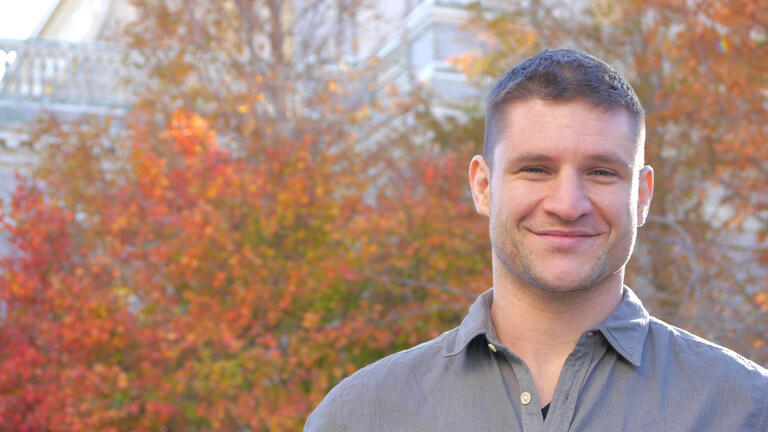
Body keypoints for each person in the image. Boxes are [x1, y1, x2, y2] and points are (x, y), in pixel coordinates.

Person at [305, 48, 768, 431]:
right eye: (536, 169)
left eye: (601, 172)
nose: (568, 204)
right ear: (483, 186)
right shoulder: (361, 415)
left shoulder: (745, 408)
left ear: (642, 195)